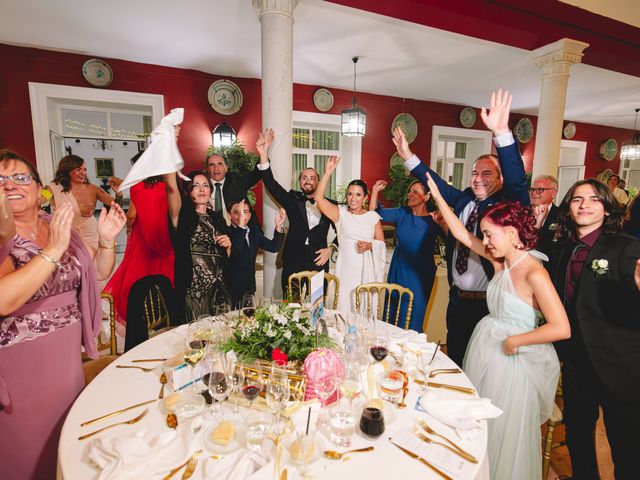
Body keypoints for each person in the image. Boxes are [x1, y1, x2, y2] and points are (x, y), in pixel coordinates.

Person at [427, 172, 570, 479]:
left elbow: (561, 327)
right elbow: (463, 236)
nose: (486, 241)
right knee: (481, 424)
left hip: (517, 362)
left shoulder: (534, 272)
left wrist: (516, 341)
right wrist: (439, 198)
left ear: (514, 233)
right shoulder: (500, 262)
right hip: (489, 348)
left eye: (491, 234)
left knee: (506, 430)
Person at [0, 149, 125, 479]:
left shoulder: (58, 225)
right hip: (20, 369)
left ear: (38, 187)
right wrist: (53, 250)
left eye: (20, 176)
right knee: (28, 455)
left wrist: (107, 240)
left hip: (66, 361)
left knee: (67, 444)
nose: (10, 184)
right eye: (0, 179)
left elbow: (97, 272)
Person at [392, 89, 530, 366]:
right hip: (457, 301)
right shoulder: (465, 198)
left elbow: (517, 181)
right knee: (455, 357)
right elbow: (436, 183)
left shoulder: (506, 205)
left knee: (480, 364)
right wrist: (408, 156)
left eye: (487, 173)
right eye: (475, 173)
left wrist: (502, 135)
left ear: (500, 180)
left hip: (487, 304)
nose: (478, 179)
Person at [548, 179, 640, 480]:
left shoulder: (625, 247)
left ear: (606, 208)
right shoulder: (564, 248)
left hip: (620, 365)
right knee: (577, 432)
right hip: (577, 361)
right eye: (577, 199)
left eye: (594, 199)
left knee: (625, 445)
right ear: (568, 207)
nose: (585, 205)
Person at [255, 129, 337, 295]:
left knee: (317, 305)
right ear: (300, 181)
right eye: (304, 178)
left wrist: (331, 248)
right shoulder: (292, 199)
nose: (307, 181)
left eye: (312, 178)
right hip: (293, 259)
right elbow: (272, 185)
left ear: (319, 181)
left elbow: (345, 231)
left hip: (319, 260)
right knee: (290, 306)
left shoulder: (330, 205)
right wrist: (264, 154)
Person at [102, 150, 175, 326]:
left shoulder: (138, 187)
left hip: (143, 237)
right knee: (163, 275)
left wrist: (127, 227)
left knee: (139, 276)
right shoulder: (168, 185)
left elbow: (133, 215)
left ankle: (142, 314)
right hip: (164, 235)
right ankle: (163, 312)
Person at [314, 156, 385, 313]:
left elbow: (381, 244)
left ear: (365, 198)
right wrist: (328, 172)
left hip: (365, 272)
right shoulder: (340, 214)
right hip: (345, 271)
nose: (353, 198)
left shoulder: (373, 217)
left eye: (358, 195)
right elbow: (318, 198)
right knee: (344, 308)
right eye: (350, 194)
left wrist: (370, 245)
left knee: (364, 311)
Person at [369, 179, 439, 332]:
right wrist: (375, 191)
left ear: (427, 197)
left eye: (416, 192)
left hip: (421, 273)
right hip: (399, 267)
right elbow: (374, 213)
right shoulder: (402, 212)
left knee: (414, 311)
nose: (410, 194)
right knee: (393, 309)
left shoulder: (434, 219)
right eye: (410, 191)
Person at [165, 170, 232, 323]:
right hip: (195, 290)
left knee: (222, 335)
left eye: (205, 185)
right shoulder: (182, 215)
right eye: (196, 186)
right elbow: (171, 189)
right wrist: (169, 166)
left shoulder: (217, 218)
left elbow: (226, 257)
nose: (202, 189)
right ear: (188, 192)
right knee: (197, 337)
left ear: (210, 190)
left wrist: (228, 245)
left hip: (221, 287)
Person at [44, 154, 122, 249]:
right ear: (67, 171)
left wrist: (119, 194)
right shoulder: (52, 189)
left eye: (85, 170)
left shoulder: (93, 189)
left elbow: (116, 205)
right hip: (65, 236)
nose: (83, 173)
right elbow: (35, 202)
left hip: (91, 235)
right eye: (78, 169)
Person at [226, 199, 285, 306]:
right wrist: (241, 226)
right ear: (229, 215)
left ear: (249, 216)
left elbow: (274, 247)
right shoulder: (227, 233)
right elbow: (237, 249)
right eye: (237, 212)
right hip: (232, 289)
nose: (242, 215)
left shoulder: (253, 232)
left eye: (245, 212)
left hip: (250, 286)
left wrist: (278, 226)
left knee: (249, 319)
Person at [205, 150, 261, 225]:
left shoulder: (236, 181)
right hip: (212, 232)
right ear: (208, 169)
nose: (216, 168)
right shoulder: (202, 185)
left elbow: (256, 175)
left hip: (238, 230)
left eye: (220, 164)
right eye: (212, 165)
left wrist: (263, 154)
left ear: (226, 168)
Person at [529, 174, 560, 257]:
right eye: (532, 189)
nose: (533, 193)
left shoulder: (561, 215)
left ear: (553, 193)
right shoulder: (521, 212)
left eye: (540, 190)